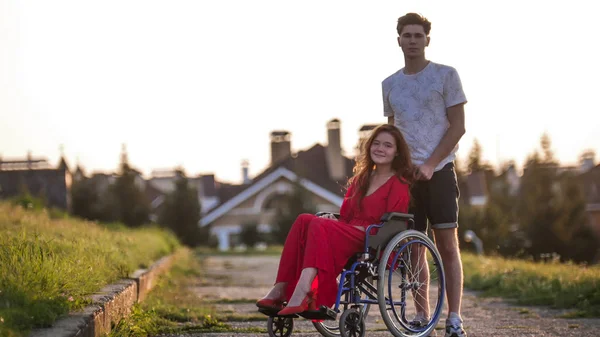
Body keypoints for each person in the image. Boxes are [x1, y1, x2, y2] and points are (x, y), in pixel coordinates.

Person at [256, 124, 414, 316]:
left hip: (373, 237)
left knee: (317, 223)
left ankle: (305, 289)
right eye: (376, 143)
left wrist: (345, 226)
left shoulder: (398, 182)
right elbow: (346, 215)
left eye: (388, 145)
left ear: (397, 152)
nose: (380, 148)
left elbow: (393, 223)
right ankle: (280, 288)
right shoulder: (360, 180)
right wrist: (334, 220)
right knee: (304, 219)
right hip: (349, 233)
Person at [381, 12, 468, 337]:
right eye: (408, 35)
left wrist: (431, 163)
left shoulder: (446, 76)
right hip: (405, 178)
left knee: (447, 244)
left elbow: (458, 126)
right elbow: (391, 133)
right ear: (399, 40)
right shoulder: (389, 85)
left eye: (419, 35)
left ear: (427, 40)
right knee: (414, 246)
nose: (413, 40)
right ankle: (422, 316)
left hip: (440, 172)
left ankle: (455, 318)